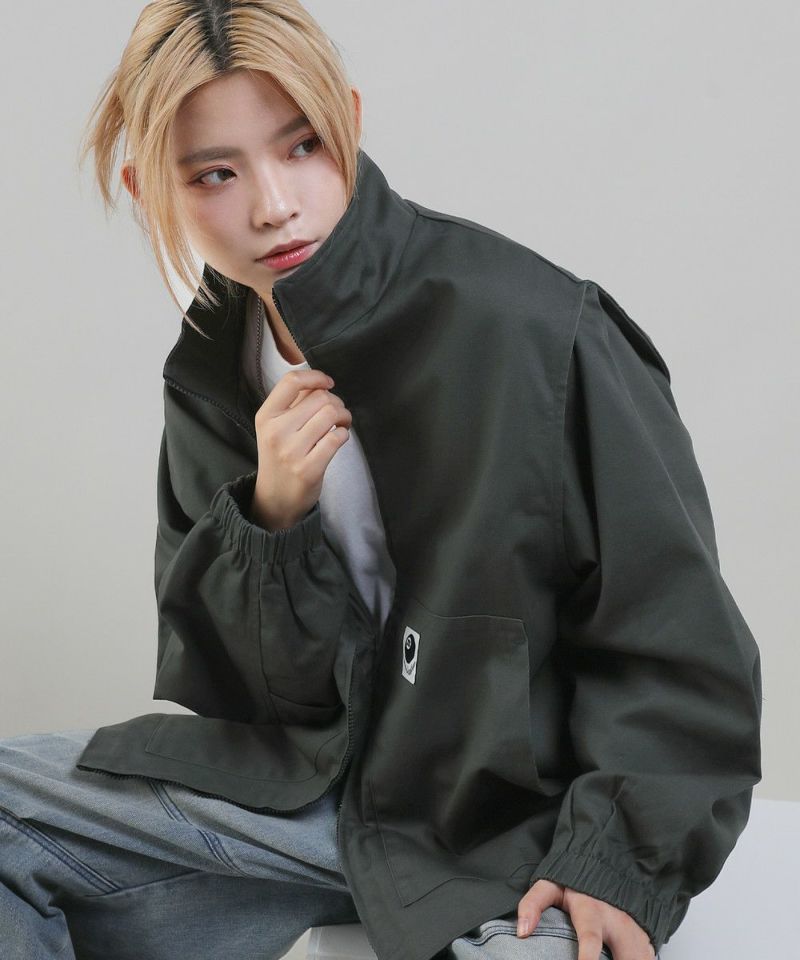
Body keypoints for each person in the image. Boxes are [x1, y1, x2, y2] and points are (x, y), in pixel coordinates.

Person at [0, 2, 763, 960]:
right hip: (317, 797)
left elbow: (680, 641)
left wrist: (617, 857)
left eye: (303, 146)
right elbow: (244, 698)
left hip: (520, 833)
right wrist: (272, 520)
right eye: (214, 174)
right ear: (149, 190)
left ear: (350, 121)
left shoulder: (536, 330)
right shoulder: (210, 372)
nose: (273, 205)